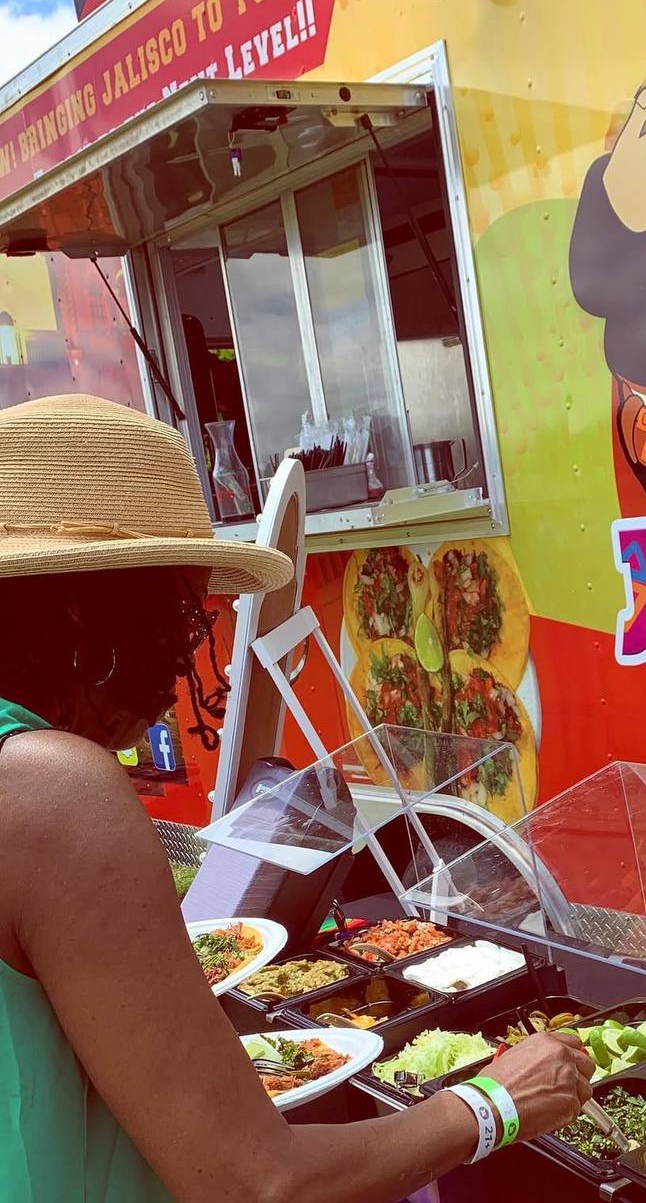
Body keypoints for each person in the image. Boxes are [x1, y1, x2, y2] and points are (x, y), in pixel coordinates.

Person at [0, 395, 593, 1203]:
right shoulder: (52, 788)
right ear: (80, 613)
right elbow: (255, 1182)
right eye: (179, 614)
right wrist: (495, 1103)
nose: (184, 664)